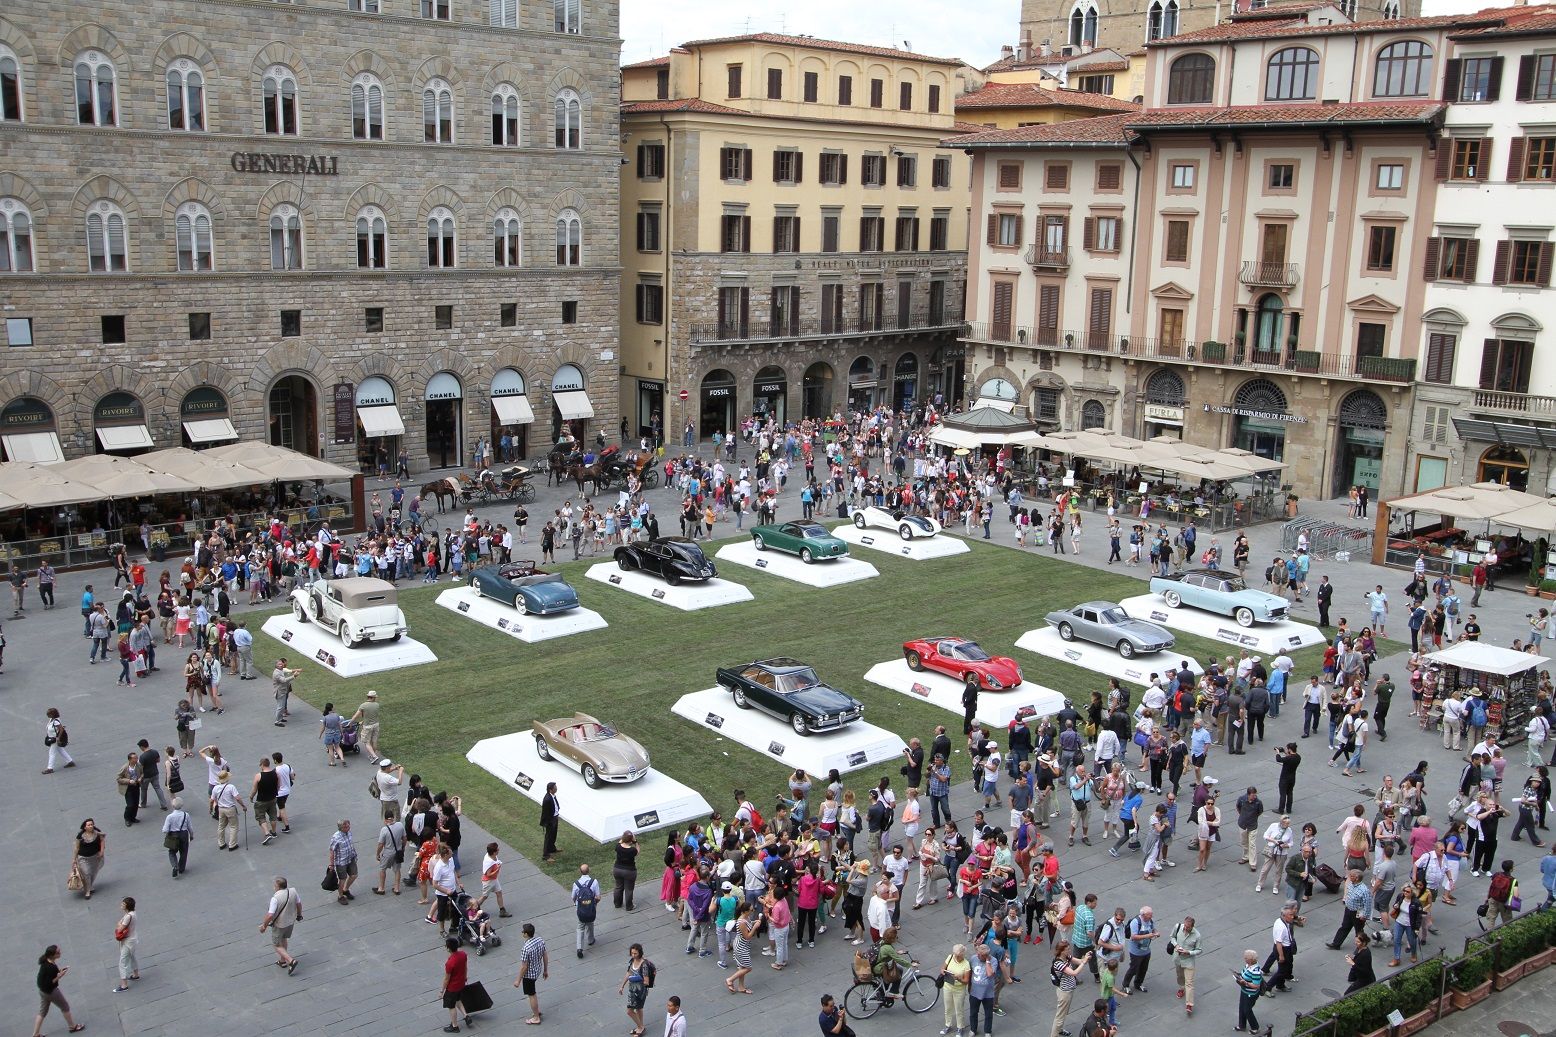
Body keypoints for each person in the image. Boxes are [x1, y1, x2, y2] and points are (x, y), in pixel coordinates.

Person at [260, 875, 302, 974]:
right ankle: (282, 961)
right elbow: (299, 904)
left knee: (276, 944)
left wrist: (264, 926)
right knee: (284, 939)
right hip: (290, 921)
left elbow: (270, 915)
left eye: (274, 885)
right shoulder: (293, 891)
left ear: (278, 887)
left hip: (279, 924)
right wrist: (299, 915)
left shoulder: (275, 898)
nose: (274, 887)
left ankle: (291, 960)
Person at [1050, 941, 1089, 1037]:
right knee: (1060, 1016)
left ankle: (1060, 1030)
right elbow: (1073, 973)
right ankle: (1054, 1035)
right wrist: (1083, 962)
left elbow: (1079, 961)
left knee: (1064, 1013)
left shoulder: (1067, 957)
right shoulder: (1058, 963)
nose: (1069, 950)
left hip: (1069, 990)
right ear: (1062, 951)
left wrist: (1085, 958)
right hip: (1064, 992)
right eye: (1067, 949)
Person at [514, 922, 549, 1024]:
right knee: (532, 993)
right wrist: (545, 970)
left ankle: (536, 1017)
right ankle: (536, 1011)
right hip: (538, 970)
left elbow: (524, 967)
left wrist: (518, 980)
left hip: (529, 975)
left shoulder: (525, 948)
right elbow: (545, 955)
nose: (522, 933)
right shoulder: (540, 940)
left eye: (523, 932)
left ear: (526, 934)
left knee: (531, 995)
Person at [1168, 915, 1201, 1016]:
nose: (1185, 928)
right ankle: (1181, 988)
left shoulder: (1197, 935)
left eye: (1188, 927)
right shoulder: (1178, 927)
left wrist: (1189, 952)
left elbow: (1199, 950)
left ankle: (1189, 1004)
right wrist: (1176, 945)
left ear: (1192, 926)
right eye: (1185, 926)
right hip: (1177, 958)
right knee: (1180, 976)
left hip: (1189, 961)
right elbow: (1172, 937)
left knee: (1189, 983)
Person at [619, 943, 651, 1037]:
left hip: (640, 991)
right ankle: (640, 1027)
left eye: (635, 953)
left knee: (629, 1011)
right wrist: (622, 986)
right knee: (639, 1008)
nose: (633, 955)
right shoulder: (632, 961)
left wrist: (636, 978)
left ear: (640, 953)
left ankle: (640, 1027)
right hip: (632, 990)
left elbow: (646, 981)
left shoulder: (644, 965)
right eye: (632, 953)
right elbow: (628, 973)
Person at [942, 941, 973, 1035]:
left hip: (959, 990)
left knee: (959, 1009)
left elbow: (966, 981)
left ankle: (960, 1027)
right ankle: (948, 1025)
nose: (956, 956)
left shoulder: (966, 964)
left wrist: (959, 979)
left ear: (962, 955)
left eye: (958, 955)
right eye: (955, 954)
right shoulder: (950, 957)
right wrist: (943, 972)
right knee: (947, 1008)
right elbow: (943, 967)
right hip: (947, 987)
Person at [374, 809, 407, 896]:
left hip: (388, 852)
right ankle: (396, 888)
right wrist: (402, 847)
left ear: (385, 819)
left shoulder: (384, 830)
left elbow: (380, 844)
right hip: (398, 851)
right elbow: (404, 838)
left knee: (382, 869)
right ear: (393, 817)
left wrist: (377, 854)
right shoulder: (400, 825)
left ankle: (381, 888)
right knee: (397, 870)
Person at [110, 896, 139, 993]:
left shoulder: (127, 916)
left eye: (123, 904)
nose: (121, 905)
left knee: (122, 962)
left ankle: (124, 985)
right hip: (133, 939)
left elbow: (119, 929)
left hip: (127, 941)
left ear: (127, 906)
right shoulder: (132, 913)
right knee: (132, 956)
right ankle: (135, 974)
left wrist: (119, 924)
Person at [573, 863, 601, 958]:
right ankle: (590, 940)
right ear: (589, 870)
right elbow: (598, 896)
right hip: (591, 907)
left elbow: (573, 897)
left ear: (580, 872)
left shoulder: (576, 883)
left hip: (580, 908)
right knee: (590, 922)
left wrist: (576, 904)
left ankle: (579, 948)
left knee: (580, 927)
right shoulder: (594, 882)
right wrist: (594, 903)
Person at [328, 819, 358, 904]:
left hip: (351, 858)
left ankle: (345, 889)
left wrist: (354, 854)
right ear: (341, 828)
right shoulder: (336, 837)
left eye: (349, 825)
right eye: (346, 827)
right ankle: (340, 896)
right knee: (342, 879)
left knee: (354, 875)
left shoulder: (349, 832)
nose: (348, 828)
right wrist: (331, 864)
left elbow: (351, 844)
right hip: (341, 862)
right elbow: (332, 850)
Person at [162, 797, 193, 878]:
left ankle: (175, 866)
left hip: (173, 835)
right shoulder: (186, 815)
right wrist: (191, 835)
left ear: (173, 806)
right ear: (181, 805)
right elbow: (190, 827)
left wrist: (169, 832)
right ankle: (181, 868)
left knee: (172, 851)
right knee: (184, 852)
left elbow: (165, 830)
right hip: (184, 834)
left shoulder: (170, 817)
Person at [1234, 950, 1263, 1032]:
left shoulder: (1255, 971)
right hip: (1244, 990)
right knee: (1241, 1007)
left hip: (1250, 993)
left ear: (1250, 959)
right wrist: (1239, 975)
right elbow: (1245, 974)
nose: (1244, 958)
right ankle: (1241, 1025)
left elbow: (1256, 986)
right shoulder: (1248, 965)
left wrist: (1246, 983)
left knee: (1247, 1010)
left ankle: (1255, 1027)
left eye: (1246, 957)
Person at [351, 690, 382, 762]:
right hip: (376, 725)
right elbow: (371, 715)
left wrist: (350, 723)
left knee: (366, 742)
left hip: (367, 726)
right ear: (373, 697)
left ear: (368, 696)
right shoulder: (377, 705)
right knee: (374, 741)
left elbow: (356, 716)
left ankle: (374, 756)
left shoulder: (363, 705)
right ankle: (372, 756)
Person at [43, 707, 74, 774]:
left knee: (51, 753)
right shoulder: (51, 719)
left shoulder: (56, 721)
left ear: (52, 714)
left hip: (55, 739)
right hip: (51, 738)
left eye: (48, 714)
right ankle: (70, 761)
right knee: (60, 750)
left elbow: (61, 729)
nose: (47, 715)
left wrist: (58, 738)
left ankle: (50, 768)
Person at [272, 658, 300, 727]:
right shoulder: (276, 673)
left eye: (281, 663)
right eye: (279, 664)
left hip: (283, 691)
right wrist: (294, 676)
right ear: (276, 665)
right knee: (280, 707)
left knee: (282, 706)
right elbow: (284, 680)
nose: (281, 665)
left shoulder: (280, 670)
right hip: (280, 692)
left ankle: (280, 718)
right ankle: (277, 722)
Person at [540, 782, 561, 861]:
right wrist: (549, 822)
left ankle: (552, 848)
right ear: (550, 789)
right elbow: (545, 813)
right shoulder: (547, 799)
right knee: (548, 837)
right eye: (555, 787)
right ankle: (545, 855)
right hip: (550, 821)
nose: (556, 788)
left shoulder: (552, 796)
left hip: (554, 818)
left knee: (553, 835)